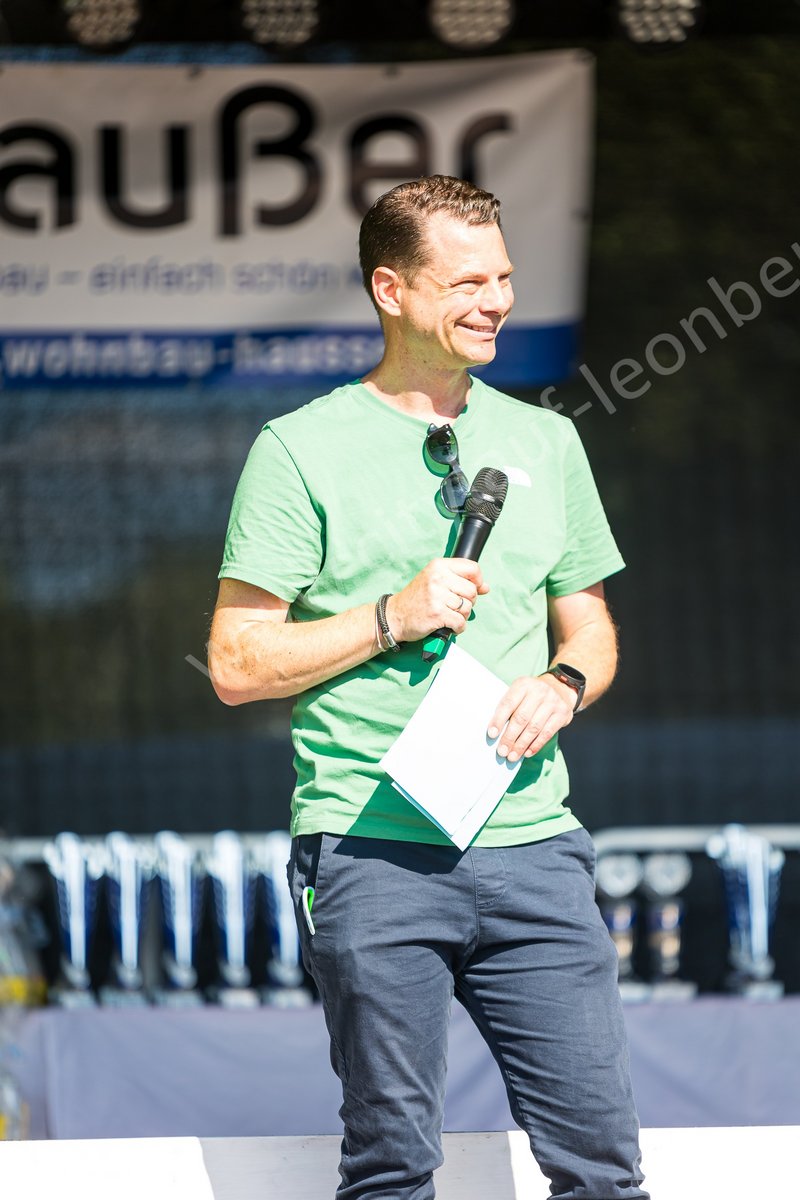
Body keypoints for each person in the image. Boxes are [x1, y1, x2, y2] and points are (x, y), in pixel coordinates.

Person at [209, 175, 649, 1200]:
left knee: (603, 1168)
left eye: (503, 277)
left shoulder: (548, 440)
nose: (496, 301)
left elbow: (589, 628)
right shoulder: (298, 450)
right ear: (390, 289)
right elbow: (234, 663)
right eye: (466, 283)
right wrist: (388, 618)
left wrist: (564, 682)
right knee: (394, 1168)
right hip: (371, 851)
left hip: (535, 849)